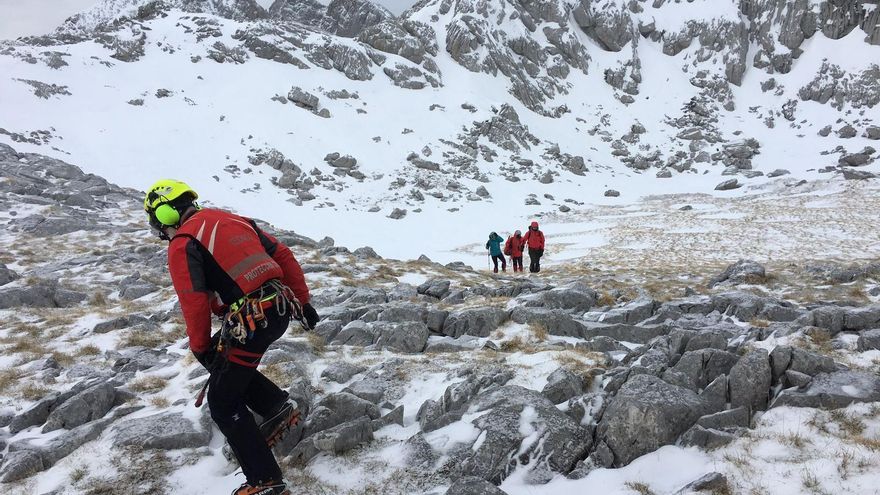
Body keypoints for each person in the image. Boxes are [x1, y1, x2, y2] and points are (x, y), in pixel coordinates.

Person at [144, 179, 320, 495]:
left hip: (253, 320)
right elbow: (283, 254)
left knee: (222, 401)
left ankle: (265, 481)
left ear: (165, 215)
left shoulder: (183, 242)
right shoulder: (232, 219)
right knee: (226, 364)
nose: (162, 232)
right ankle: (275, 407)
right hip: (278, 309)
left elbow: (193, 300)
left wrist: (199, 347)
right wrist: (303, 301)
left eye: (160, 225)